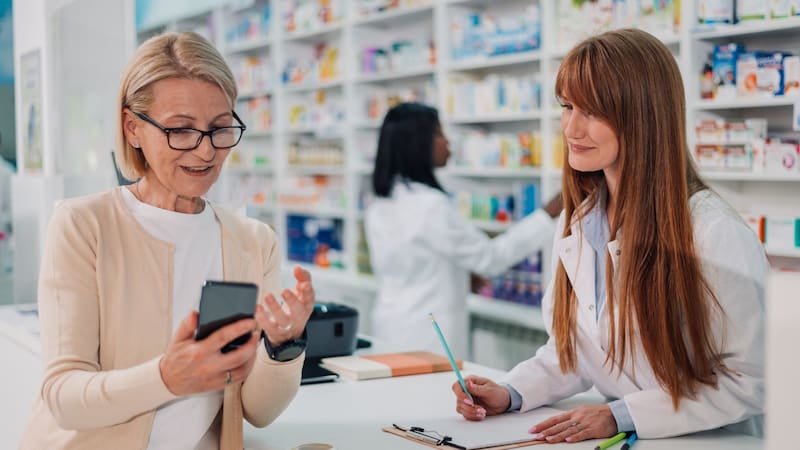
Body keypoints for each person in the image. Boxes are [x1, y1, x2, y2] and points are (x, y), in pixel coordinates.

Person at [451, 28, 767, 442]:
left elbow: (752, 378)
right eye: (567, 106)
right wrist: (512, 392)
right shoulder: (580, 221)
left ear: (644, 115)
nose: (571, 129)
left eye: (594, 111)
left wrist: (623, 414)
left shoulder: (712, 231)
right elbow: (576, 351)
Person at [20, 32, 315, 450]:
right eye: (180, 130)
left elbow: (258, 412)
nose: (205, 152)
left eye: (220, 128)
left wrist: (285, 344)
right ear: (133, 128)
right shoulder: (85, 224)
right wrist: (167, 377)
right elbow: (64, 396)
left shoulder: (252, 241)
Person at [365, 103, 562, 357]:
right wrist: (548, 214)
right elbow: (491, 258)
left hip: (391, 325)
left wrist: (459, 272)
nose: (448, 142)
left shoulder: (383, 201)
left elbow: (413, 261)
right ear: (417, 144)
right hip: (427, 337)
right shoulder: (430, 206)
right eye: (438, 134)